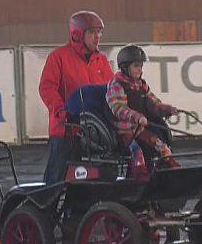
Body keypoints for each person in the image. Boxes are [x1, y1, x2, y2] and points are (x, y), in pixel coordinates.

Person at [38, 10, 113, 184]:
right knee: (57, 179)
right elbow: (47, 87)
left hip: (95, 133)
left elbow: (111, 91)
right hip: (66, 131)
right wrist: (60, 110)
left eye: (99, 32)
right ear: (77, 34)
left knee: (96, 179)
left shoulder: (101, 61)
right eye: (92, 32)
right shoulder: (58, 57)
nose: (97, 37)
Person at [107, 44, 179, 180]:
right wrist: (137, 117)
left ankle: (170, 172)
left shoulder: (142, 85)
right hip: (124, 131)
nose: (139, 69)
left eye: (141, 66)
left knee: (162, 147)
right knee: (137, 153)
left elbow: (153, 103)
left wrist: (166, 109)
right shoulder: (117, 84)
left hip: (140, 129)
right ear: (125, 67)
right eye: (136, 66)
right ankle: (139, 179)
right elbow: (118, 108)